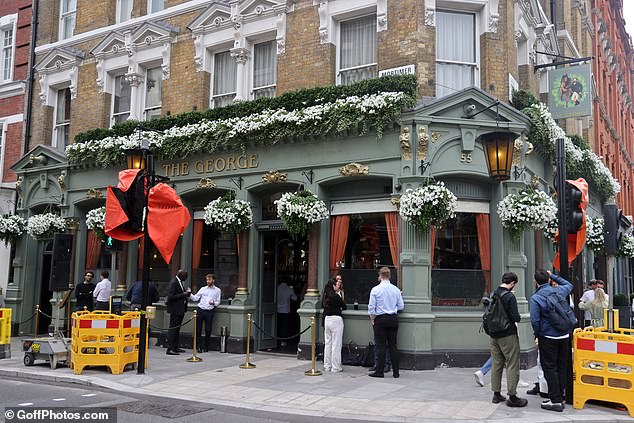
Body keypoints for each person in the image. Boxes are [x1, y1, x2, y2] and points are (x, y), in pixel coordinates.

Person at [530, 269, 573, 412]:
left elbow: (535, 320)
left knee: (549, 367)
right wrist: (552, 275)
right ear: (548, 280)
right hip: (564, 335)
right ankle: (560, 396)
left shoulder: (536, 298)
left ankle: (555, 400)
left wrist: (537, 334)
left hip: (548, 336)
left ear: (536, 282)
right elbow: (569, 284)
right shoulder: (559, 291)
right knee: (561, 366)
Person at [487, 272, 528, 407]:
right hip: (507, 334)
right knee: (512, 363)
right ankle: (513, 396)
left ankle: (496, 394)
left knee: (497, 364)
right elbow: (515, 317)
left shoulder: (494, 293)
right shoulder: (509, 296)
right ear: (512, 283)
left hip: (494, 334)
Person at [368, 267, 404, 378]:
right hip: (393, 318)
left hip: (381, 319)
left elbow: (371, 308)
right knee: (393, 345)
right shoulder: (396, 290)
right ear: (389, 276)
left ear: (381, 275)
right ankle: (396, 372)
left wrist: (372, 318)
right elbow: (401, 306)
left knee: (381, 346)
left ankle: (380, 371)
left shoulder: (375, 290)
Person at [190, 274, 222, 353]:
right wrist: (189, 294)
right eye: (207, 280)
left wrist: (213, 303)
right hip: (200, 310)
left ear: (213, 280)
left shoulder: (218, 290)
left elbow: (218, 302)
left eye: (209, 280)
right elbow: (195, 298)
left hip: (209, 311)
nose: (208, 281)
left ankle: (206, 346)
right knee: (198, 329)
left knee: (208, 329)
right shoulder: (203, 289)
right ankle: (199, 346)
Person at [322, 278, 346, 372]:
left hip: (327, 319)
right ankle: (335, 367)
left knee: (328, 343)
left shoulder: (325, 296)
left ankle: (327, 365)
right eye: (336, 284)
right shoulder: (336, 296)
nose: (338, 286)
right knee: (336, 344)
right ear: (333, 286)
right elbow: (344, 306)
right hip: (336, 319)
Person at [166, 270, 191, 355]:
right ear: (181, 276)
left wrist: (186, 294)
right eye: (185, 277)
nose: (186, 279)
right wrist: (184, 294)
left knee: (177, 329)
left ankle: (175, 347)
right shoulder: (174, 282)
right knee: (173, 329)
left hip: (180, 309)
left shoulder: (179, 282)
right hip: (175, 309)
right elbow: (171, 296)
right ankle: (170, 348)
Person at [277, 280, 297, 348]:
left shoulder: (277, 288)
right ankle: (283, 341)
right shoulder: (289, 289)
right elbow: (295, 298)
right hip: (285, 310)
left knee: (278, 326)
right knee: (284, 326)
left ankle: (277, 340)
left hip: (277, 310)